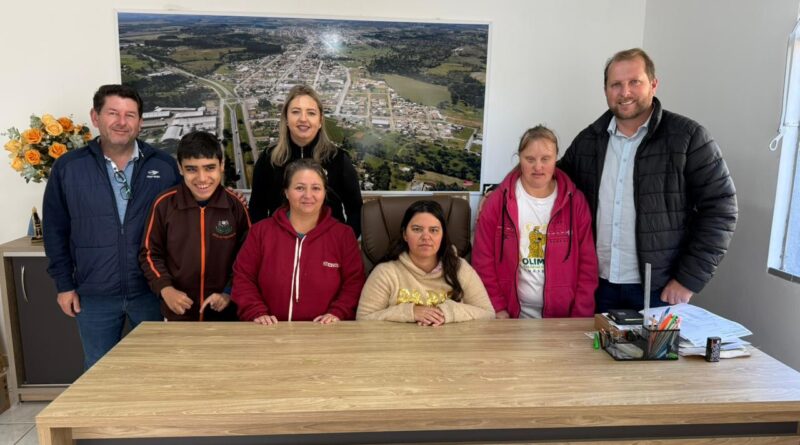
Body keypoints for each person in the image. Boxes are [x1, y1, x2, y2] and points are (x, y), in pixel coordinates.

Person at [558, 48, 738, 313]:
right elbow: (551, 181)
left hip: (659, 291)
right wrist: (503, 191)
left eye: (635, 82)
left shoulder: (688, 138)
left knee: (653, 357)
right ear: (606, 90)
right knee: (591, 354)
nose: (625, 92)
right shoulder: (589, 140)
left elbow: (722, 209)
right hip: (596, 287)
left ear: (653, 84)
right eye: (616, 84)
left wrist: (687, 281)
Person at [43, 84, 181, 369]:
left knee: (158, 367)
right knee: (98, 371)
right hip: (93, 295)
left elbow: (184, 223)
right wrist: (64, 285)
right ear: (96, 117)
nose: (122, 122)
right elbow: (55, 230)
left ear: (140, 122)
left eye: (130, 115)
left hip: (151, 291)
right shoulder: (69, 168)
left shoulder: (165, 167)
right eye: (113, 113)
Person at [472, 126, 597, 319]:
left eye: (545, 159)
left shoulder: (576, 202)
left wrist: (580, 316)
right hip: (510, 317)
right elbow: (482, 260)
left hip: (563, 320)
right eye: (530, 159)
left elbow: (588, 266)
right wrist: (498, 308)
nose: (538, 167)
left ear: (556, 158)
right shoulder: (497, 202)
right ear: (519, 158)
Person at [232, 159, 365, 324]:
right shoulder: (260, 232)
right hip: (267, 332)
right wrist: (256, 312)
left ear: (325, 193)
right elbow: (243, 278)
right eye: (299, 188)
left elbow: (354, 283)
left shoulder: (343, 235)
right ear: (287, 192)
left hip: (325, 335)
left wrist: (338, 313)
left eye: (316, 188)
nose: (308, 195)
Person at [140, 131, 251, 321]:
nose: (202, 178)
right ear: (180, 168)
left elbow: (248, 256)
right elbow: (150, 253)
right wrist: (166, 289)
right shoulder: (164, 204)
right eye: (192, 169)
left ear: (222, 166)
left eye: (209, 168)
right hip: (179, 313)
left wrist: (228, 292)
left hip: (226, 313)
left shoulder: (235, 206)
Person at [249, 84, 363, 237]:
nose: (303, 119)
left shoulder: (338, 159)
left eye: (311, 113)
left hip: (327, 246)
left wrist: (343, 243)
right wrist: (266, 242)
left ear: (320, 120)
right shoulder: (268, 159)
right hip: (279, 246)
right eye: (296, 112)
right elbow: (257, 208)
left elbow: (356, 209)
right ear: (286, 119)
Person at [357, 200, 495, 325]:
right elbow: (363, 319)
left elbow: (488, 314)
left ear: (443, 235)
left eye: (434, 230)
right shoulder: (385, 273)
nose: (426, 237)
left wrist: (447, 312)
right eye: (417, 229)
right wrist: (410, 312)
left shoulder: (460, 268)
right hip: (399, 348)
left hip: (450, 348)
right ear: (405, 234)